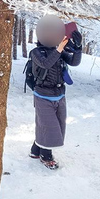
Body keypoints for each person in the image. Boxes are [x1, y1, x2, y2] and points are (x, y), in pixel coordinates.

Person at [28, 15, 82, 170]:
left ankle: (35, 150)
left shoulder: (57, 51)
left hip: (59, 95)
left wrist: (78, 48)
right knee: (50, 126)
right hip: (43, 95)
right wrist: (59, 49)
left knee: (53, 124)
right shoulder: (36, 52)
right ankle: (46, 156)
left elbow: (74, 62)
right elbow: (45, 64)